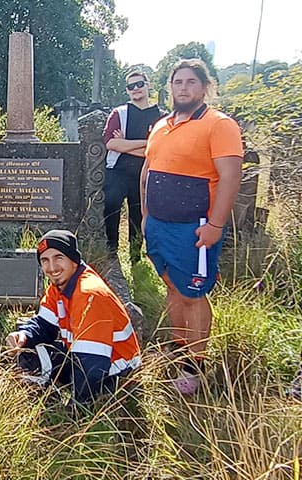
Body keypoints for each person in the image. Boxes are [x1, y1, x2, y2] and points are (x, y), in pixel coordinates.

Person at [140, 59, 243, 395]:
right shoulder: (160, 124)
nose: (183, 88)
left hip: (195, 227)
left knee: (193, 294)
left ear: (204, 86)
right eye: (177, 82)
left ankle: (193, 365)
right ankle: (178, 349)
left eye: (190, 82)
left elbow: (230, 177)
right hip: (158, 225)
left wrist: (215, 225)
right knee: (172, 286)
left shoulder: (219, 124)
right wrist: (144, 216)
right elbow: (148, 172)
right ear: (169, 87)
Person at [6, 230, 141, 406]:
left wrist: (75, 410)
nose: (52, 267)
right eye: (45, 260)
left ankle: (77, 407)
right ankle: (38, 402)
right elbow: (44, 325)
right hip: (84, 357)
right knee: (26, 353)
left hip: (117, 373)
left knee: (81, 391)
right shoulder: (59, 286)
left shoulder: (89, 293)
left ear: (73, 259)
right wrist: (23, 335)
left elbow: (92, 366)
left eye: (58, 257)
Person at [102, 71, 163, 263]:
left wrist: (125, 144)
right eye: (131, 86)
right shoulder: (119, 113)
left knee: (138, 214)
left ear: (148, 85)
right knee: (111, 207)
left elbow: (161, 148)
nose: (135, 89)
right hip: (118, 172)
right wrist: (147, 143)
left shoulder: (162, 116)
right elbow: (111, 143)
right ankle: (111, 253)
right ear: (127, 90)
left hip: (145, 172)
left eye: (139, 84)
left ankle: (135, 257)